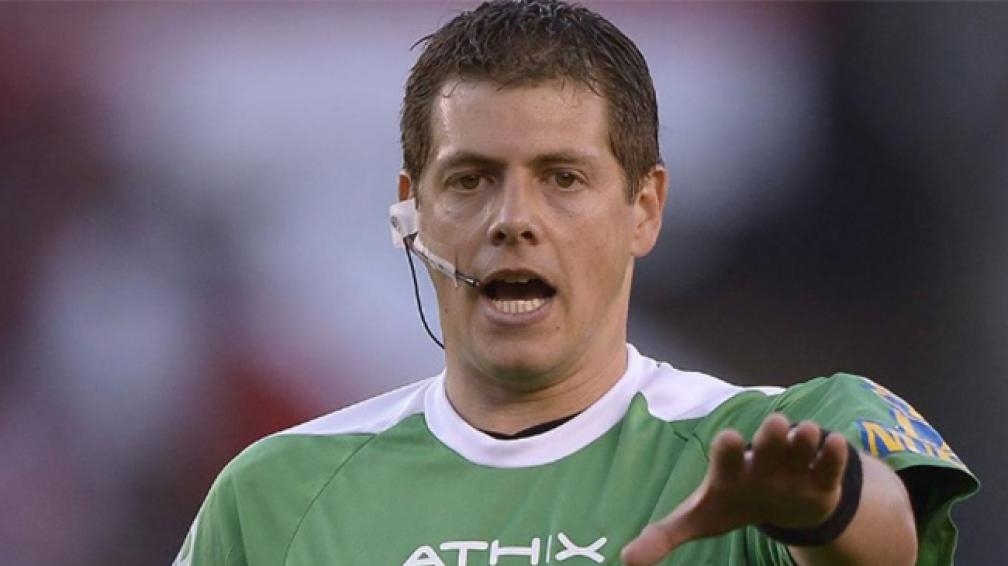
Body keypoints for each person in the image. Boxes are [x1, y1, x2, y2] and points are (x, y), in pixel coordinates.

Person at [174, 1, 977, 564]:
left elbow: (888, 539)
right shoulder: (275, 491)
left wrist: (823, 509)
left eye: (562, 179)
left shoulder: (767, 440)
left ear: (645, 209)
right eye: (470, 181)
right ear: (410, 215)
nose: (513, 220)